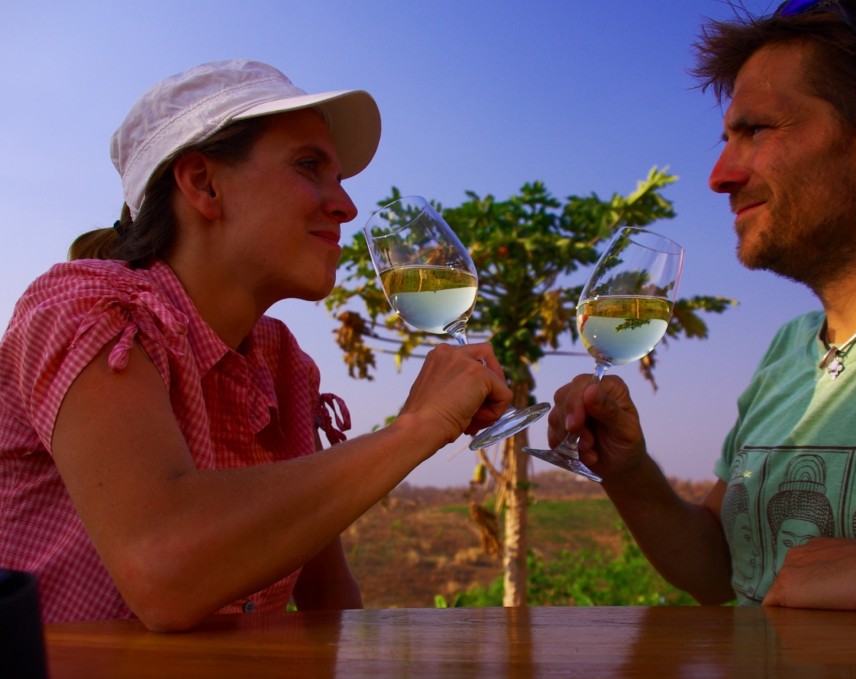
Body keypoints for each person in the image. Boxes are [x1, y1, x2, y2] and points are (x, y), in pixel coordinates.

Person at [544, 0, 856, 621]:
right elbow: (721, 570)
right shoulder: (790, 348)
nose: (719, 176)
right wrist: (629, 473)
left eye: (758, 130)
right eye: (727, 139)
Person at [0, 59, 512, 632]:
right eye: (309, 165)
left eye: (339, 177)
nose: (346, 206)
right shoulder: (89, 310)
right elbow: (162, 565)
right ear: (204, 184)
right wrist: (417, 427)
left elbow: (328, 594)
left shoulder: (283, 363)